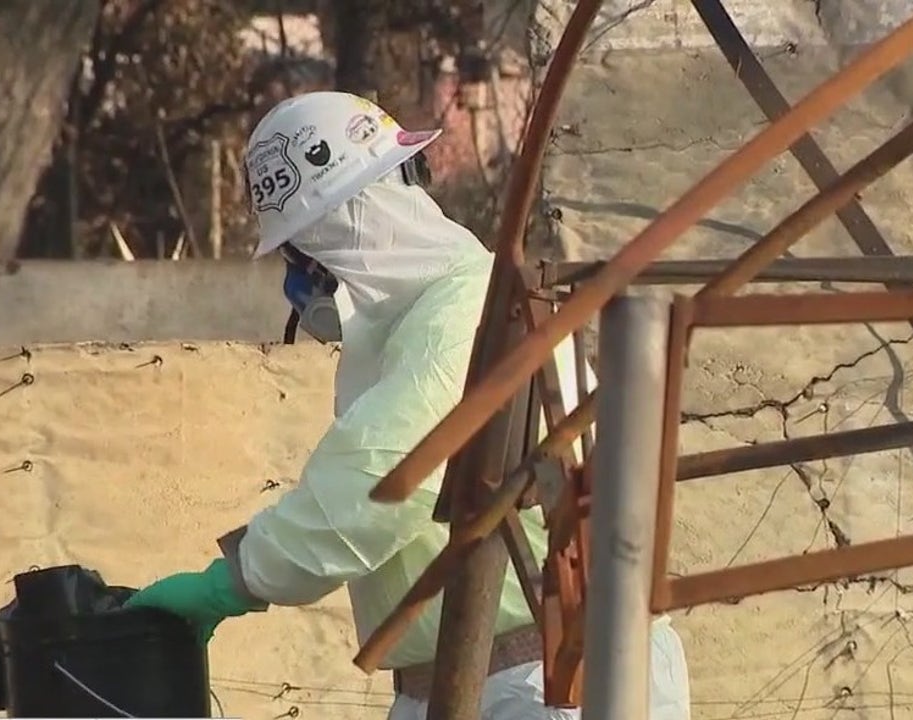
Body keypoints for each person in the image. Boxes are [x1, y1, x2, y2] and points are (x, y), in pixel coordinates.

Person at [124, 91, 691, 720]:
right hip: (468, 682)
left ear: (341, 228)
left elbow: (384, 479)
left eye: (302, 253)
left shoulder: (468, 310)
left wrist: (233, 581)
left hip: (546, 683)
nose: (302, 278)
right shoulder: (413, 325)